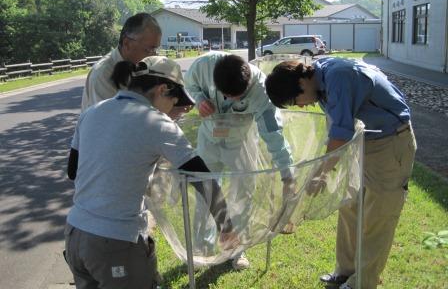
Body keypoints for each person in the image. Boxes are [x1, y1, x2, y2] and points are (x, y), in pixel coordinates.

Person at [65, 56, 238, 289]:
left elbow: (72, 171)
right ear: (163, 89)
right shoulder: (157, 123)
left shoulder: (93, 111)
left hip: (75, 235)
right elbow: (203, 179)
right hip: (115, 242)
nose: (174, 108)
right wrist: (226, 227)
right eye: (175, 100)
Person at [264, 57, 417, 289]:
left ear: (303, 82)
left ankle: (362, 284)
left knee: (378, 218)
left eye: (297, 101)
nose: (303, 106)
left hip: (390, 143)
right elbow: (337, 128)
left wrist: (319, 175)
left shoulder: (339, 76)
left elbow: (340, 135)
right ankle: (344, 272)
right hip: (362, 143)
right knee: (349, 206)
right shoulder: (319, 78)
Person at [184, 51, 295, 270]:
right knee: (204, 190)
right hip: (209, 137)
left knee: (243, 191)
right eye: (225, 95)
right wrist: (199, 99)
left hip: (240, 142)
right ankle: (201, 249)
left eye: (238, 97)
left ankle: (238, 251)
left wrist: (287, 174)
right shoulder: (203, 65)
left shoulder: (262, 91)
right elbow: (189, 84)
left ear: (248, 83)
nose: (231, 100)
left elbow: (274, 134)